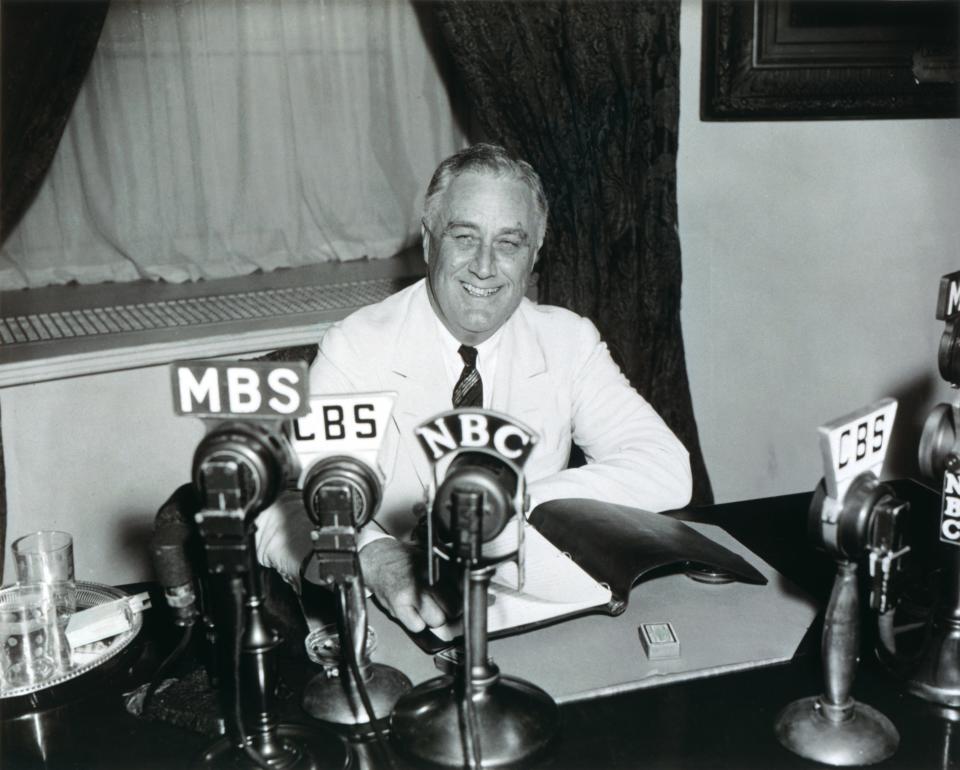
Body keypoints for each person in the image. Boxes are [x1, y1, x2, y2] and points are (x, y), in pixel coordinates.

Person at [255, 143, 692, 633]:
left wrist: (504, 504)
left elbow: (667, 468)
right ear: (428, 242)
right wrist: (373, 555)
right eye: (464, 236)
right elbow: (290, 501)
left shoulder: (568, 341)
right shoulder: (359, 347)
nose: (485, 266)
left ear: (534, 256)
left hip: (534, 609)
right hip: (411, 623)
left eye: (509, 243)